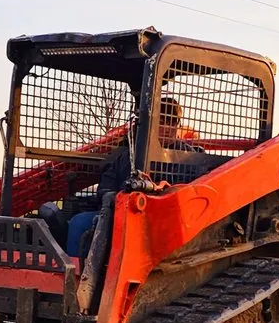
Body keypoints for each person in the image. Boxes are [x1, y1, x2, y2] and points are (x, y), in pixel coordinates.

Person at [65, 97, 203, 257]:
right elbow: (105, 190)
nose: (168, 127)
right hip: (123, 215)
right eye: (162, 121)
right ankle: (75, 275)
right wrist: (118, 197)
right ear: (150, 122)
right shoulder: (126, 155)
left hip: (167, 220)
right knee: (78, 223)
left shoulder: (191, 157)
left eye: (172, 122)